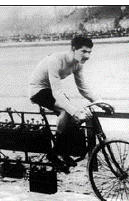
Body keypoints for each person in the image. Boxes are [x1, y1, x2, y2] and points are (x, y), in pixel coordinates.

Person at [28, 36, 112, 171]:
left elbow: (83, 88)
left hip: (51, 90)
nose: (87, 56)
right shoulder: (56, 60)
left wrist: (101, 103)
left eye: (90, 52)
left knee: (72, 117)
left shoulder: (77, 64)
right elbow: (57, 93)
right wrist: (75, 111)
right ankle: (57, 152)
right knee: (65, 111)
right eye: (84, 52)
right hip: (38, 90)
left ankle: (63, 152)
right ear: (73, 49)